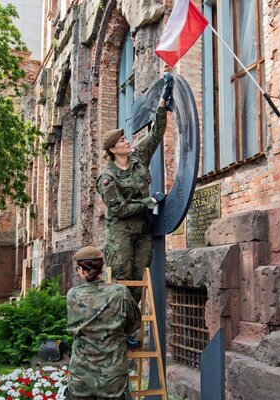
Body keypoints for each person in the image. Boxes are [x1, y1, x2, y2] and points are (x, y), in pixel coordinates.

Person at [96, 72, 174, 308]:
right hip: (120, 234)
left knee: (139, 278)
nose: (127, 142)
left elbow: (156, 134)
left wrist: (162, 103)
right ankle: (118, 328)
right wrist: (149, 202)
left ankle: (130, 328)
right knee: (122, 279)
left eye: (126, 139)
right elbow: (118, 209)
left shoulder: (138, 156)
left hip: (143, 229)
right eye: (122, 141)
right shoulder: (107, 177)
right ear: (112, 150)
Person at [66, 246, 141, 400]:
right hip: (113, 377)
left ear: (81, 270)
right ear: (101, 268)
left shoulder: (73, 294)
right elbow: (134, 323)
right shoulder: (120, 292)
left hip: (81, 375)